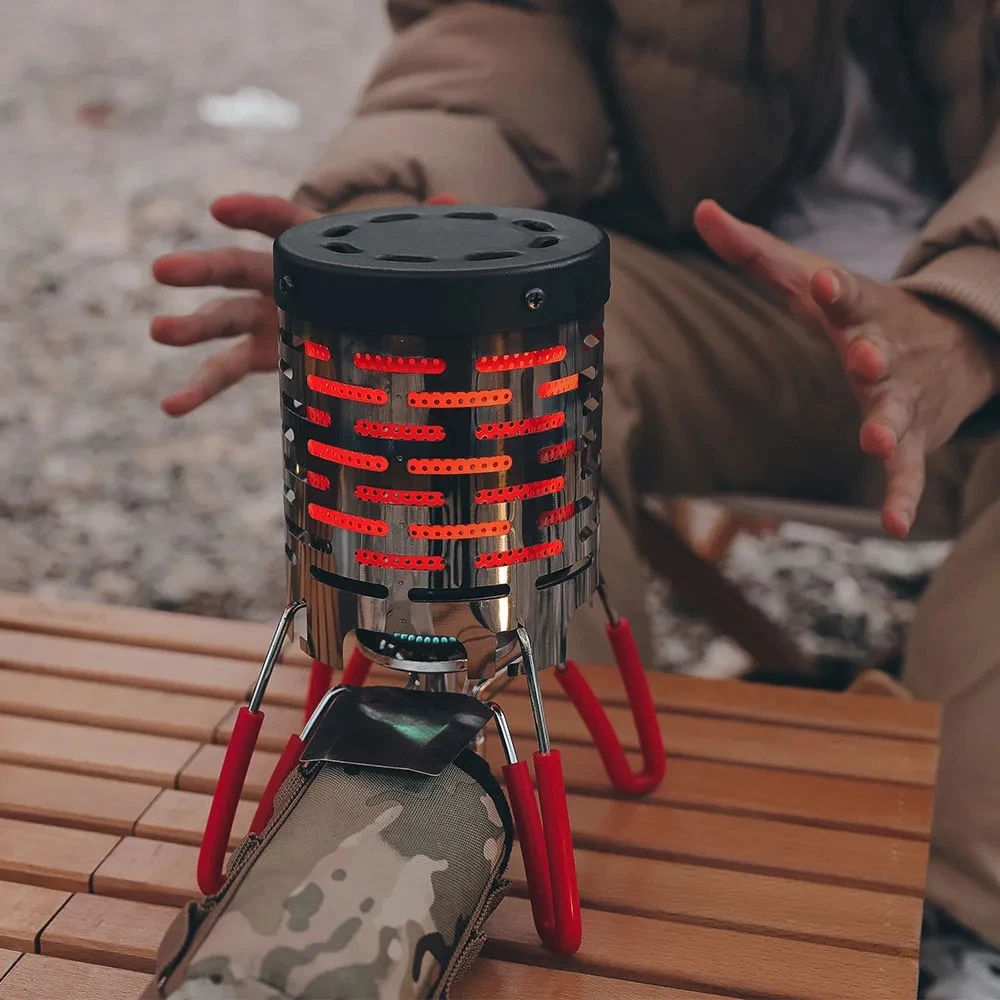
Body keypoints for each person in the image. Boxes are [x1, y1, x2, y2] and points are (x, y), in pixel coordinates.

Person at [150, 3, 1000, 994]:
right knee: (470, 387)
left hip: (968, 313)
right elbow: (511, 19)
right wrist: (390, 230)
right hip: (722, 281)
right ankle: (478, 841)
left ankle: (964, 919)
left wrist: (972, 309)